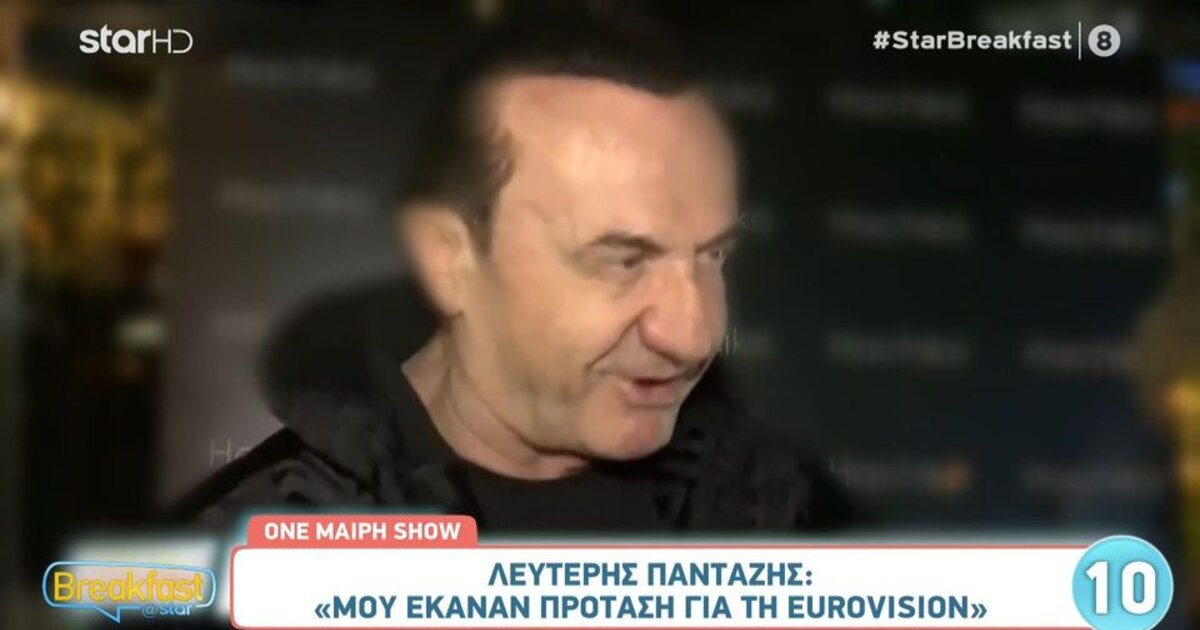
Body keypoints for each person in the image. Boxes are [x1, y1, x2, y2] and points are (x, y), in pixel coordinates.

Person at [175, 8, 853, 533]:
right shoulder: (243, 559)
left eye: (714, 255)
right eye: (625, 260)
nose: (695, 334)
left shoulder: (784, 515)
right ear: (450, 258)